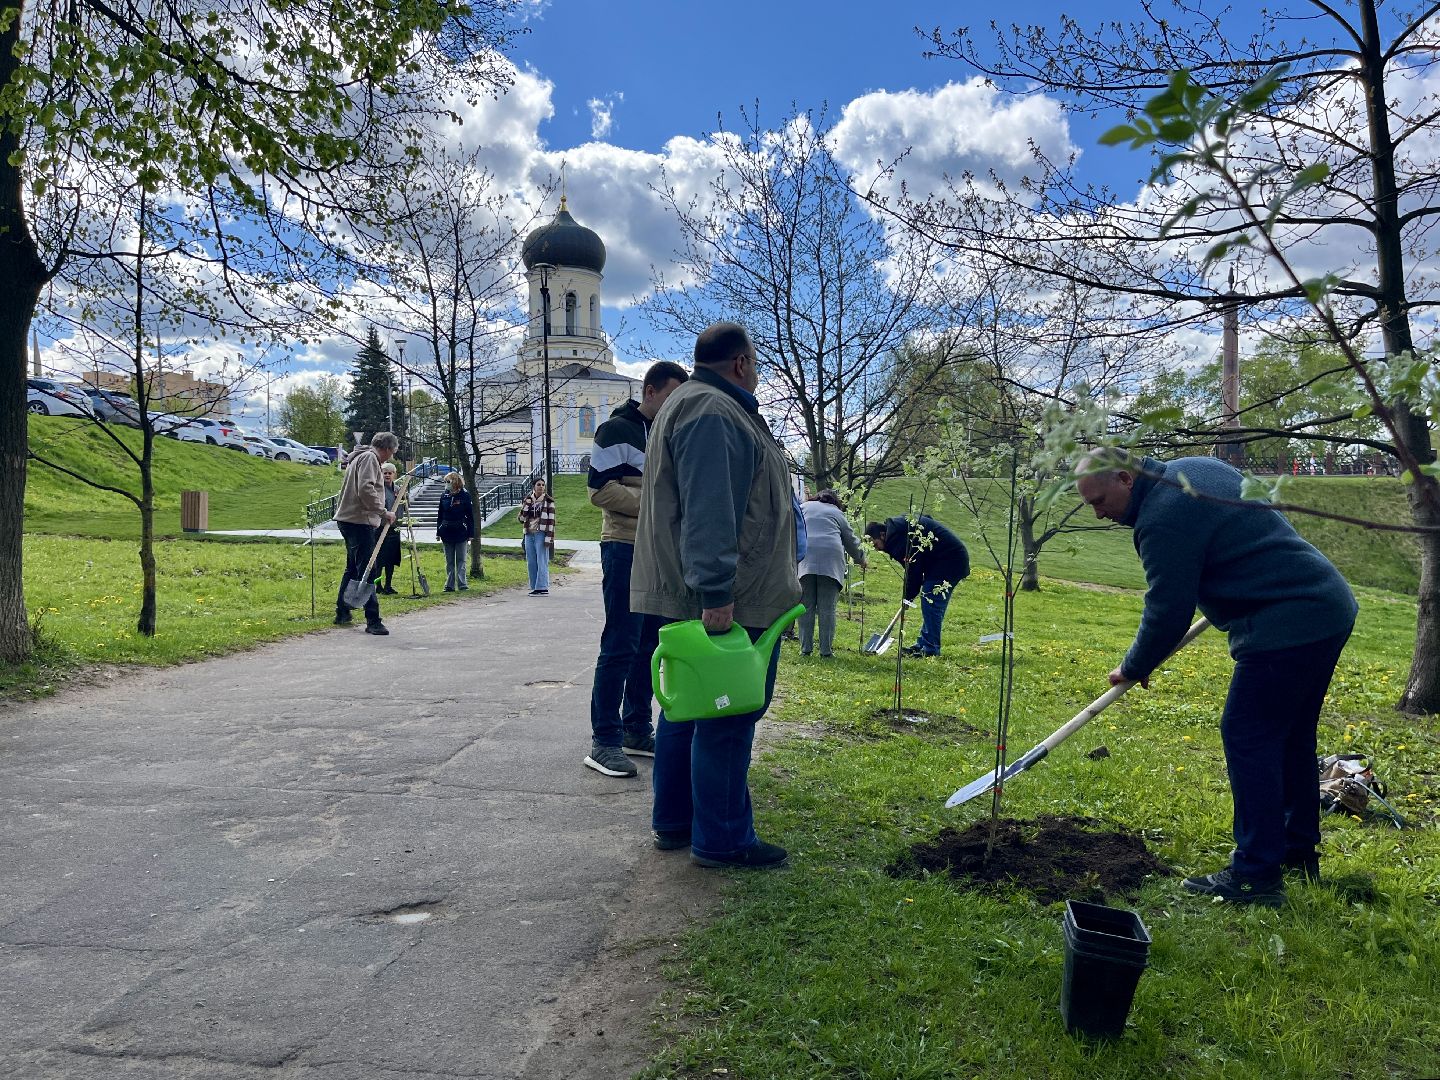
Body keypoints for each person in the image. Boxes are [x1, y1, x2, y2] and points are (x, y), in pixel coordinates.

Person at [1076, 451, 1358, 907]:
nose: (1099, 512)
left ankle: (1256, 874)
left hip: (1286, 623)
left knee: (1249, 735)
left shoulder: (1161, 518)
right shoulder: (1199, 469)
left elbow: (1167, 611)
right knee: (1290, 737)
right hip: (1326, 604)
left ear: (1126, 479)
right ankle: (1295, 852)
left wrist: (1132, 666)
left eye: (1100, 500)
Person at [631, 321, 802, 869]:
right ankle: (723, 839)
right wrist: (718, 592)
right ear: (740, 363)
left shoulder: (693, 405)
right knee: (727, 716)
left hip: (707, 590)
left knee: (687, 710)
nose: (757, 372)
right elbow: (709, 510)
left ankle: (677, 822)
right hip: (731, 595)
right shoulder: (713, 412)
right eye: (755, 363)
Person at [583, 360, 690, 778]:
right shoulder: (616, 430)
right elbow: (601, 490)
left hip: (659, 550)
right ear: (649, 392)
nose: (674, 405)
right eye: (670, 397)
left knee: (649, 644)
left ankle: (636, 727)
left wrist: (644, 497)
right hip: (624, 547)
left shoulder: (670, 436)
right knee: (620, 643)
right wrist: (659, 507)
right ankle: (604, 740)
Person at [864, 515, 969, 657]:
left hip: (951, 561)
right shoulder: (898, 530)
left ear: (882, 535)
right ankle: (923, 644)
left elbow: (914, 570)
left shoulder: (898, 539)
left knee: (931, 599)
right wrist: (909, 595)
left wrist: (908, 597)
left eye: (876, 544)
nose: (877, 549)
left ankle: (930, 649)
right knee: (930, 600)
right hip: (941, 561)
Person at [335, 431, 399, 636]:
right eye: (393, 451)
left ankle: (343, 612)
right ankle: (373, 621)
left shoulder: (360, 457)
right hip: (358, 521)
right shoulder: (370, 458)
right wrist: (383, 512)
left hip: (350, 520)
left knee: (353, 568)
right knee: (368, 570)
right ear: (388, 449)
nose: (392, 455)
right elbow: (366, 489)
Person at [797, 490, 866, 658]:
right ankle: (825, 651)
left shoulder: (803, 507)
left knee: (805, 606)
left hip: (805, 556)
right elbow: (850, 539)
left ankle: (805, 649)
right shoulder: (836, 512)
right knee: (827, 608)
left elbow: (793, 529)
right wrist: (861, 559)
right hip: (830, 559)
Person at [436, 470, 476, 592]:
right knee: (449, 561)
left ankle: (462, 584)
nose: (446, 484)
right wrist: (438, 531)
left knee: (461, 559)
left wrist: (471, 533)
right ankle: (449, 585)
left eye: (448, 481)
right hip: (446, 531)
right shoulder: (444, 496)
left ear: (455, 482)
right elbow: (440, 514)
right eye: (445, 482)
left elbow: (470, 516)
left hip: (461, 531)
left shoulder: (465, 496)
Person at [518, 478, 556, 596]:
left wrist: (549, 538)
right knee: (531, 561)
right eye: (538, 485)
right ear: (534, 486)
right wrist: (526, 505)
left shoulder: (549, 501)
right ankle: (534, 586)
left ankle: (542, 587)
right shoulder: (528, 500)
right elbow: (521, 519)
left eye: (543, 485)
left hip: (541, 533)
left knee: (542, 560)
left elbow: (551, 521)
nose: (541, 487)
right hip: (529, 533)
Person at [377, 462, 404, 595]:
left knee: (391, 559)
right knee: (379, 559)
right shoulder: (378, 489)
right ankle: (378, 586)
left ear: (394, 474)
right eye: (385, 473)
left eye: (390, 473)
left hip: (394, 529)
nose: (387, 475)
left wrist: (405, 498)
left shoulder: (398, 489)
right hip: (381, 528)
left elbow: (404, 504)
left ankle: (388, 585)